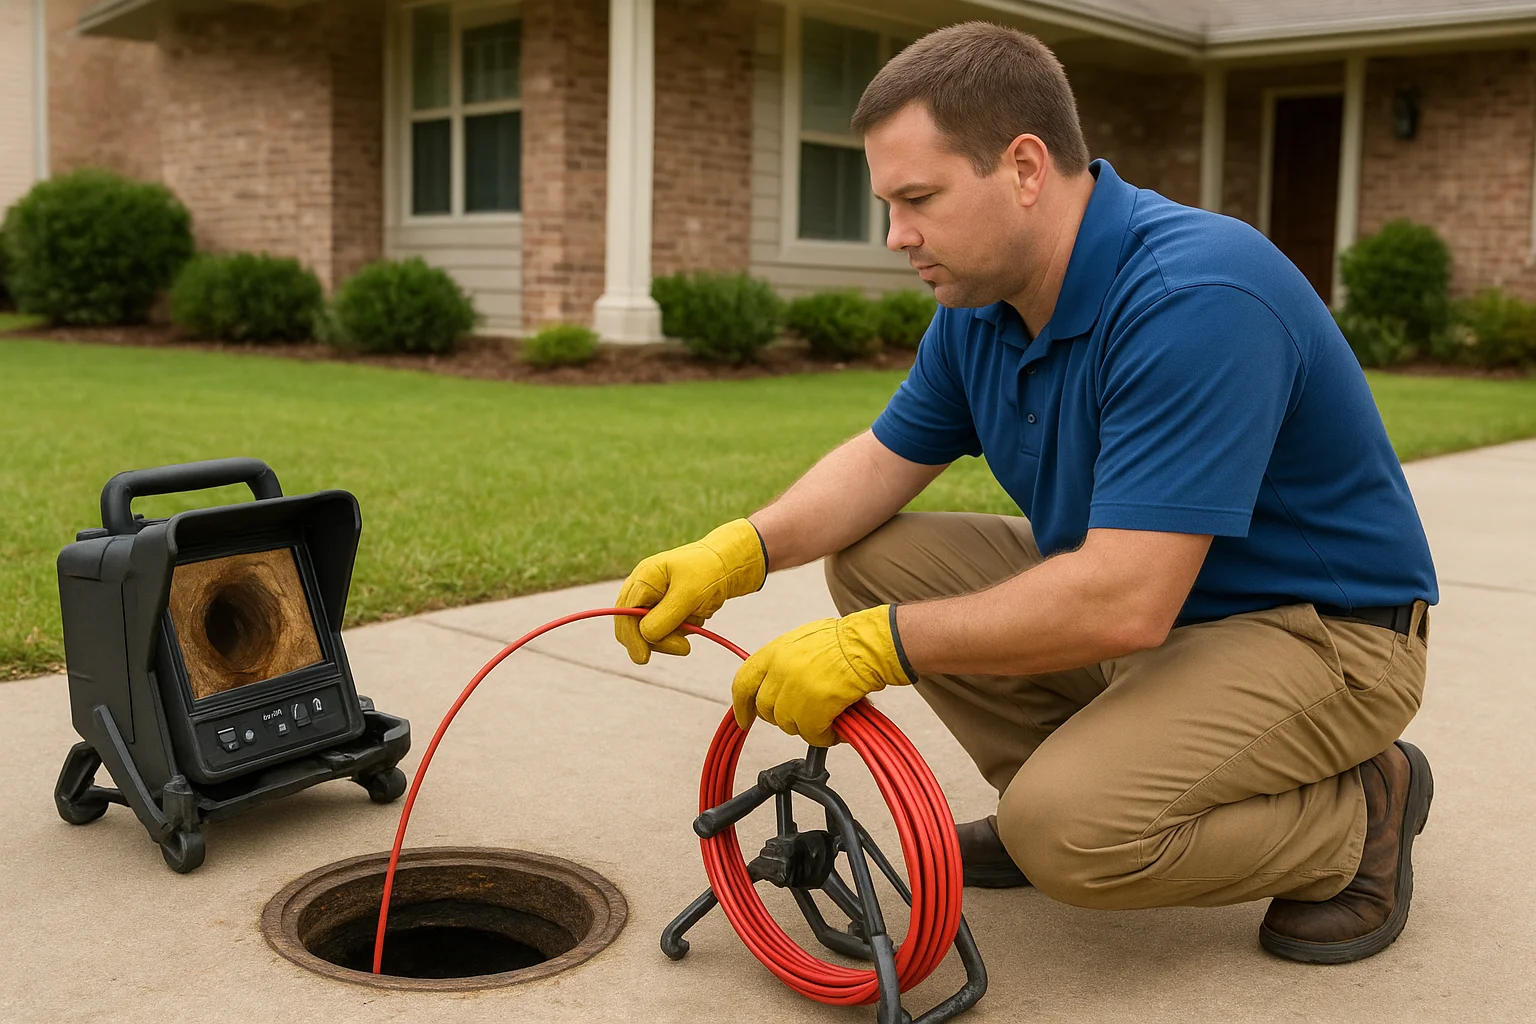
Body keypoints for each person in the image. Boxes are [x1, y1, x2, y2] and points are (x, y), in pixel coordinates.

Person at [614, 22, 1436, 965]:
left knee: (1070, 840)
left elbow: (1125, 598)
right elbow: (882, 464)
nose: (897, 236)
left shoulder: (1194, 295)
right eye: (889, 204)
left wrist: (878, 646)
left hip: (1323, 635)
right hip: (1167, 620)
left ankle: (1357, 815)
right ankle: (1082, 778)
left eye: (919, 198)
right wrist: (735, 553)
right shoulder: (982, 303)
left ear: (1026, 167)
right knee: (883, 558)